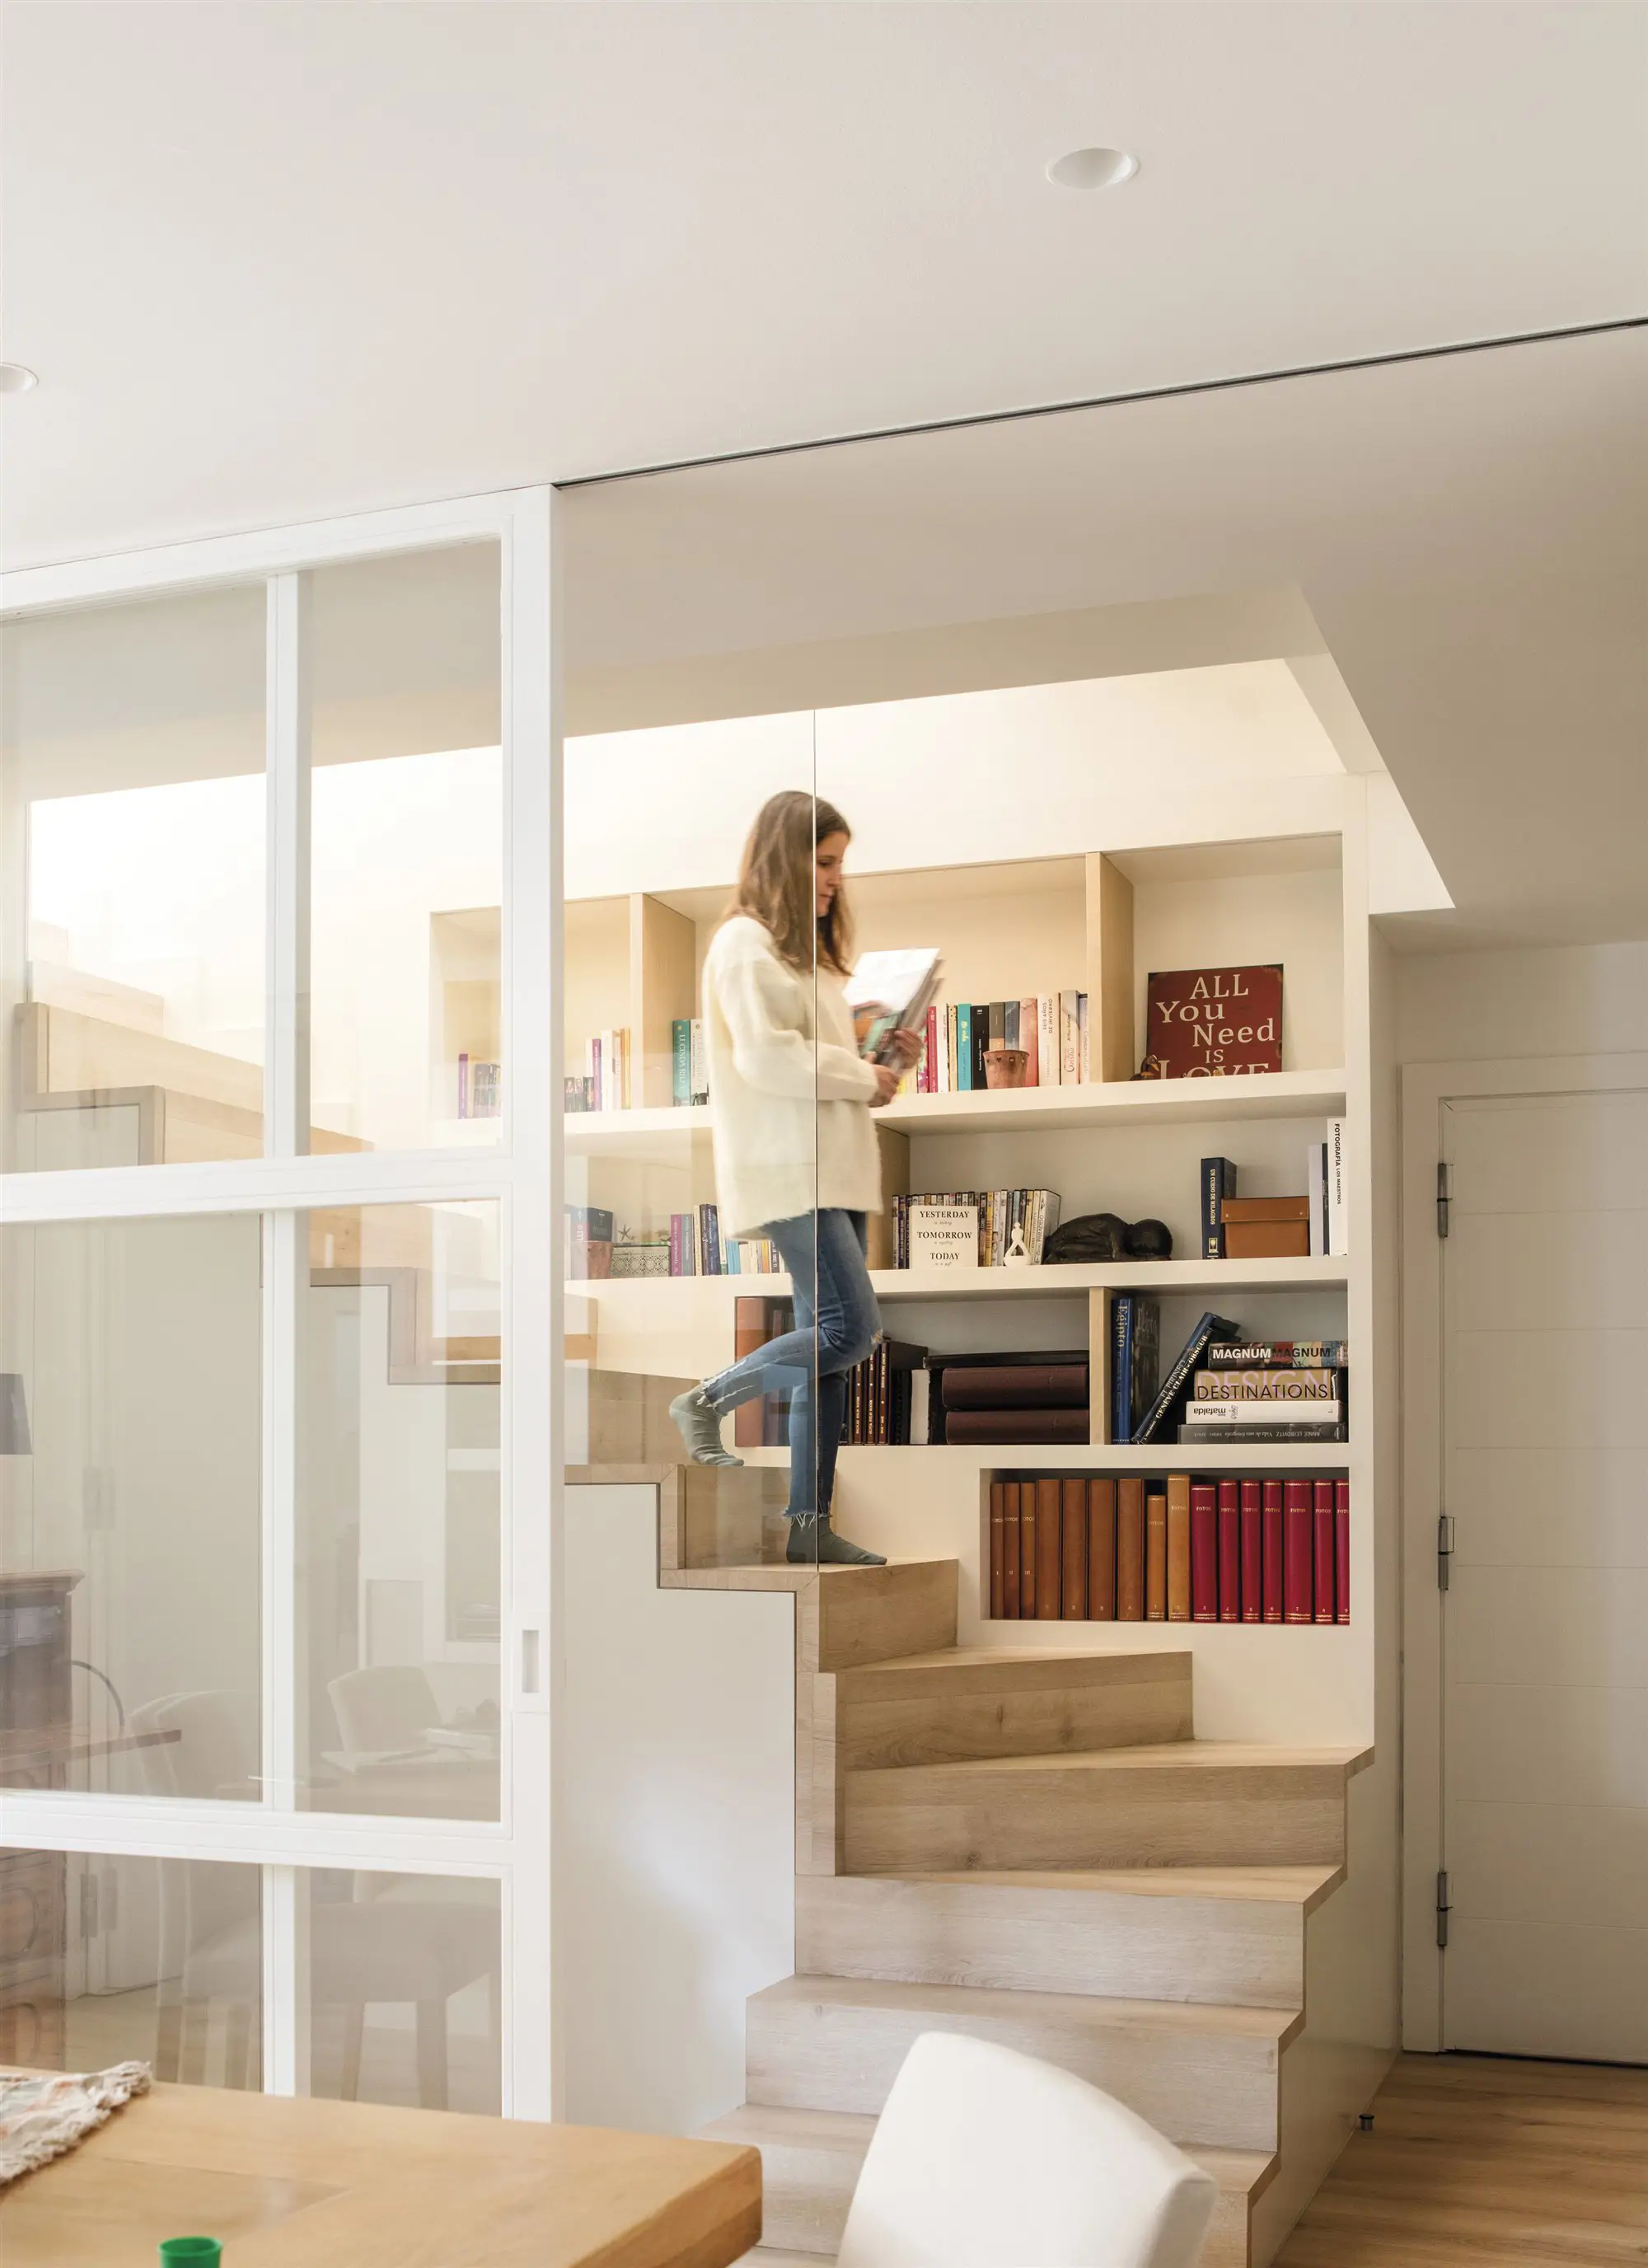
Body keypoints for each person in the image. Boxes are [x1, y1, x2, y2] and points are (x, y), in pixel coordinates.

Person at [669, 791, 918, 1566]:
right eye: (824, 860)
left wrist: (885, 1057)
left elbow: (822, 1063)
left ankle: (809, 1529)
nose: (836, 879)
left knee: (827, 1359)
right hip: (787, 1170)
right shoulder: (742, 943)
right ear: (784, 855)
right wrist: (857, 1074)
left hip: (835, 1170)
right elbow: (767, 1059)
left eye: (840, 863)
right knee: (851, 1333)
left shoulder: (804, 957)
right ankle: (705, 1401)